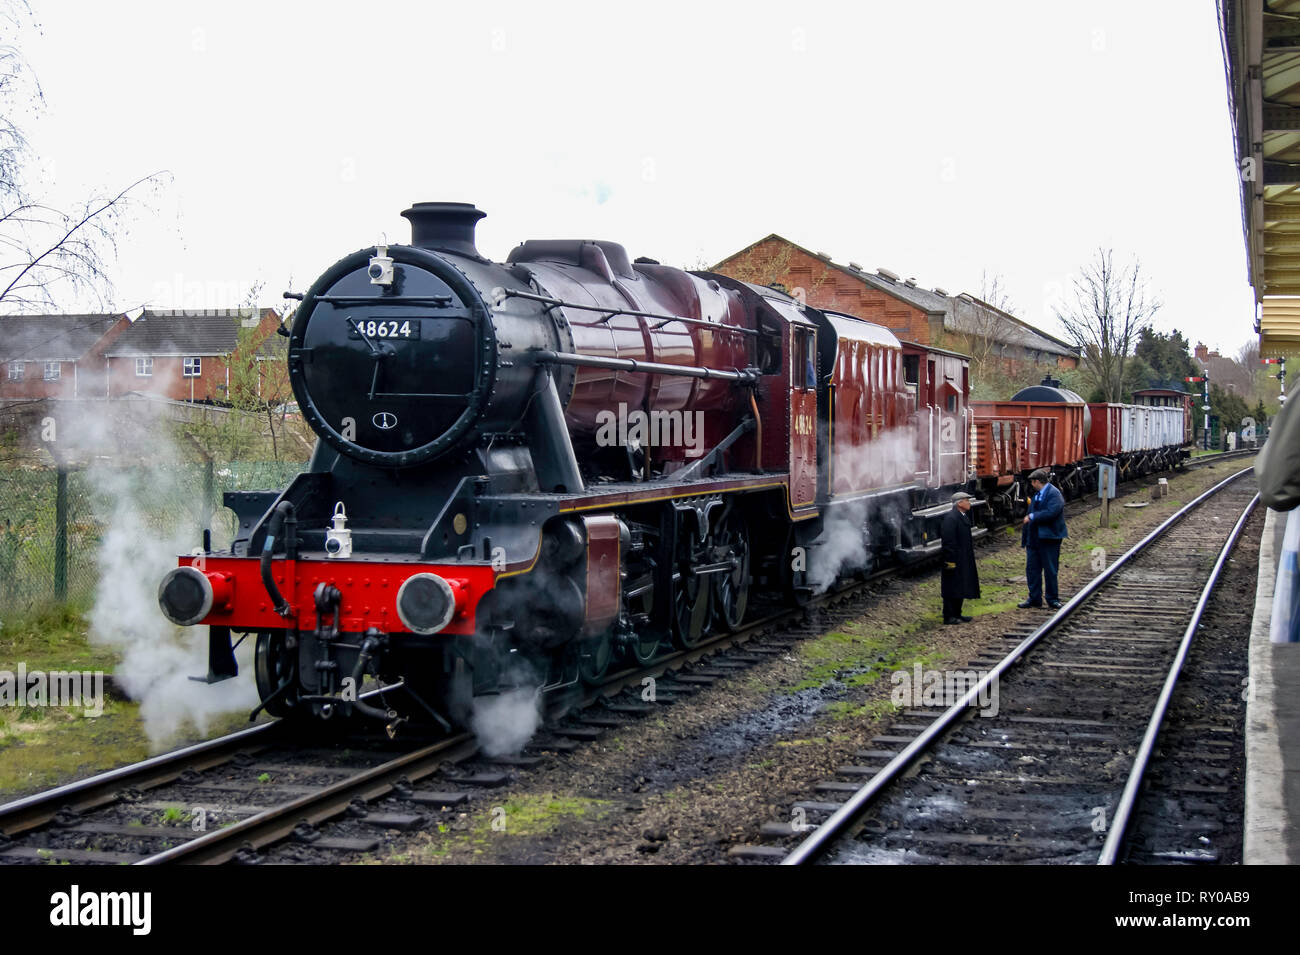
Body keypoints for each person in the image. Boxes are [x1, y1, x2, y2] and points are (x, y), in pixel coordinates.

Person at [1020, 468, 1067, 609]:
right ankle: (1034, 598)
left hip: (1049, 538)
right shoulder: (1038, 495)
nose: (1031, 485)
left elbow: (1052, 512)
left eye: (1032, 482)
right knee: (1032, 569)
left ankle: (1052, 598)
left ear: (1037, 481)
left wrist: (1033, 516)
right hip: (1035, 538)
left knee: (1050, 569)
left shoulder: (1054, 494)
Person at [941, 491, 980, 625]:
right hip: (954, 559)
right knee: (952, 587)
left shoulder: (962, 516)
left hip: (963, 558)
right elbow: (948, 542)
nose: (969, 503)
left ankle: (957, 613)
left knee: (961, 585)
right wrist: (950, 561)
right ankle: (949, 615)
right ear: (959, 503)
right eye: (966, 500)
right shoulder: (951, 519)